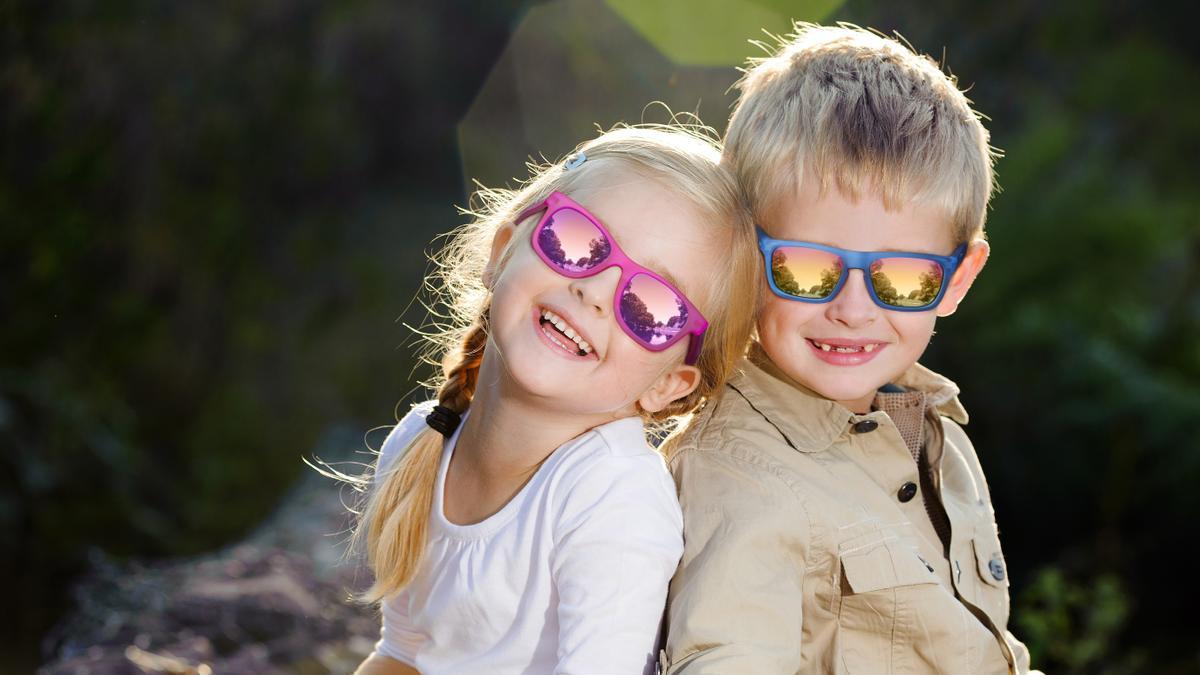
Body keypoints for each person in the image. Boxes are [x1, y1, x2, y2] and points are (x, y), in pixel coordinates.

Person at [661, 24, 1041, 674]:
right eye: (809, 267)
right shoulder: (738, 476)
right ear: (742, 255)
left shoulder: (934, 433)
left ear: (956, 279)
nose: (854, 309)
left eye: (902, 277)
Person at [348, 125, 758, 675]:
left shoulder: (612, 500)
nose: (595, 291)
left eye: (651, 304)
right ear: (502, 251)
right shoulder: (422, 440)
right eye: (578, 241)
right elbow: (402, 656)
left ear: (668, 386)